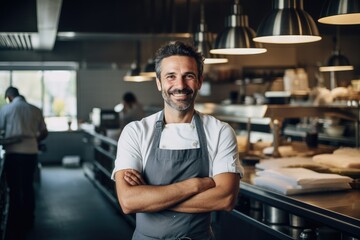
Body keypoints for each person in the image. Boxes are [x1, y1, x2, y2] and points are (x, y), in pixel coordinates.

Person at [112, 41, 243, 240]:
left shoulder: (220, 131)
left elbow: (225, 199)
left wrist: (151, 200)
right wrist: (196, 185)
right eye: (171, 76)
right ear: (159, 83)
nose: (180, 85)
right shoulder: (136, 132)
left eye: (188, 76)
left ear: (199, 80)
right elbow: (129, 202)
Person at [0, 87, 48, 239]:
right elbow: (44, 132)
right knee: (28, 185)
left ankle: (15, 222)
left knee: (14, 188)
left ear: (9, 97)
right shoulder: (35, 109)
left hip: (13, 153)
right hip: (30, 152)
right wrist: (34, 140)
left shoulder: (6, 109)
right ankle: (29, 219)